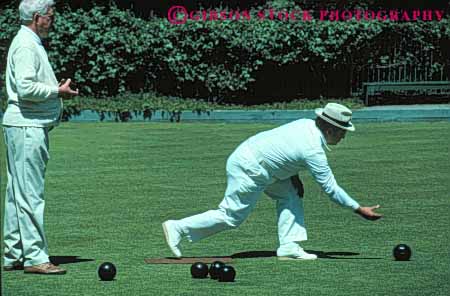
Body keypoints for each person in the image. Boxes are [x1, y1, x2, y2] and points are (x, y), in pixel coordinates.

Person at [162, 103, 382, 260]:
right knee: (231, 217)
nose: (343, 137)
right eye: (343, 131)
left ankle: (289, 246)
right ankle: (178, 228)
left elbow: (283, 148)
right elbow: (330, 189)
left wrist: (293, 175)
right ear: (331, 129)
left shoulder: (306, 124)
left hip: (259, 163)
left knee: (291, 193)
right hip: (249, 168)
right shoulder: (314, 150)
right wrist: (358, 209)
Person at [2, 0, 79, 274]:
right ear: (38, 17)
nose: (52, 20)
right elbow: (24, 87)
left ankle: (14, 254)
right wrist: (57, 92)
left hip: (23, 125)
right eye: (50, 15)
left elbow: (29, 84)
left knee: (17, 192)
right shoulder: (25, 44)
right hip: (27, 126)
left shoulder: (28, 41)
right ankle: (35, 258)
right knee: (29, 193)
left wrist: (51, 89)